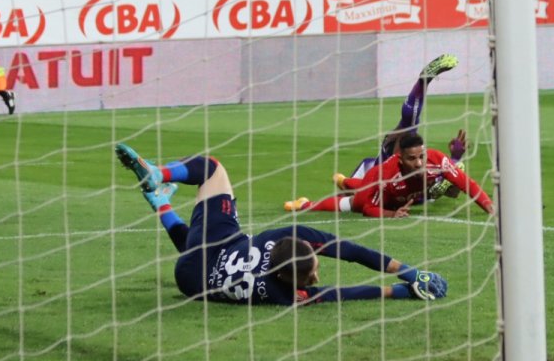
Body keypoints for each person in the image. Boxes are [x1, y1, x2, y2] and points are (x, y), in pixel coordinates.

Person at [114, 146, 448, 305]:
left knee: (212, 170)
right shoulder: (282, 293)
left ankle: (160, 173)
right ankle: (162, 203)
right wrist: (402, 285)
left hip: (219, 250)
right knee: (196, 253)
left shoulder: (285, 237)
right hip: (189, 279)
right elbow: (338, 287)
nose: (316, 276)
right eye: (312, 274)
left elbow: (345, 265)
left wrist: (408, 277)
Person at [285, 55, 468, 211]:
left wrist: (456, 159)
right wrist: (455, 159)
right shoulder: (398, 169)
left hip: (398, 184)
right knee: (358, 196)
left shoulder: (420, 173)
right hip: (387, 176)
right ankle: (424, 80)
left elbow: (454, 192)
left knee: (353, 200)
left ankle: (311, 201)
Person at [285, 130, 493, 218]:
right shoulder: (386, 173)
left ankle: (345, 181)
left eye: (421, 156)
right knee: (350, 204)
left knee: (451, 181)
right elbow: (368, 208)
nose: (419, 163)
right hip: (378, 192)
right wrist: (392, 214)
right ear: (401, 159)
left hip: (405, 195)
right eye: (412, 159)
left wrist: (490, 208)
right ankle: (304, 204)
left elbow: (468, 184)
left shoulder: (436, 160)